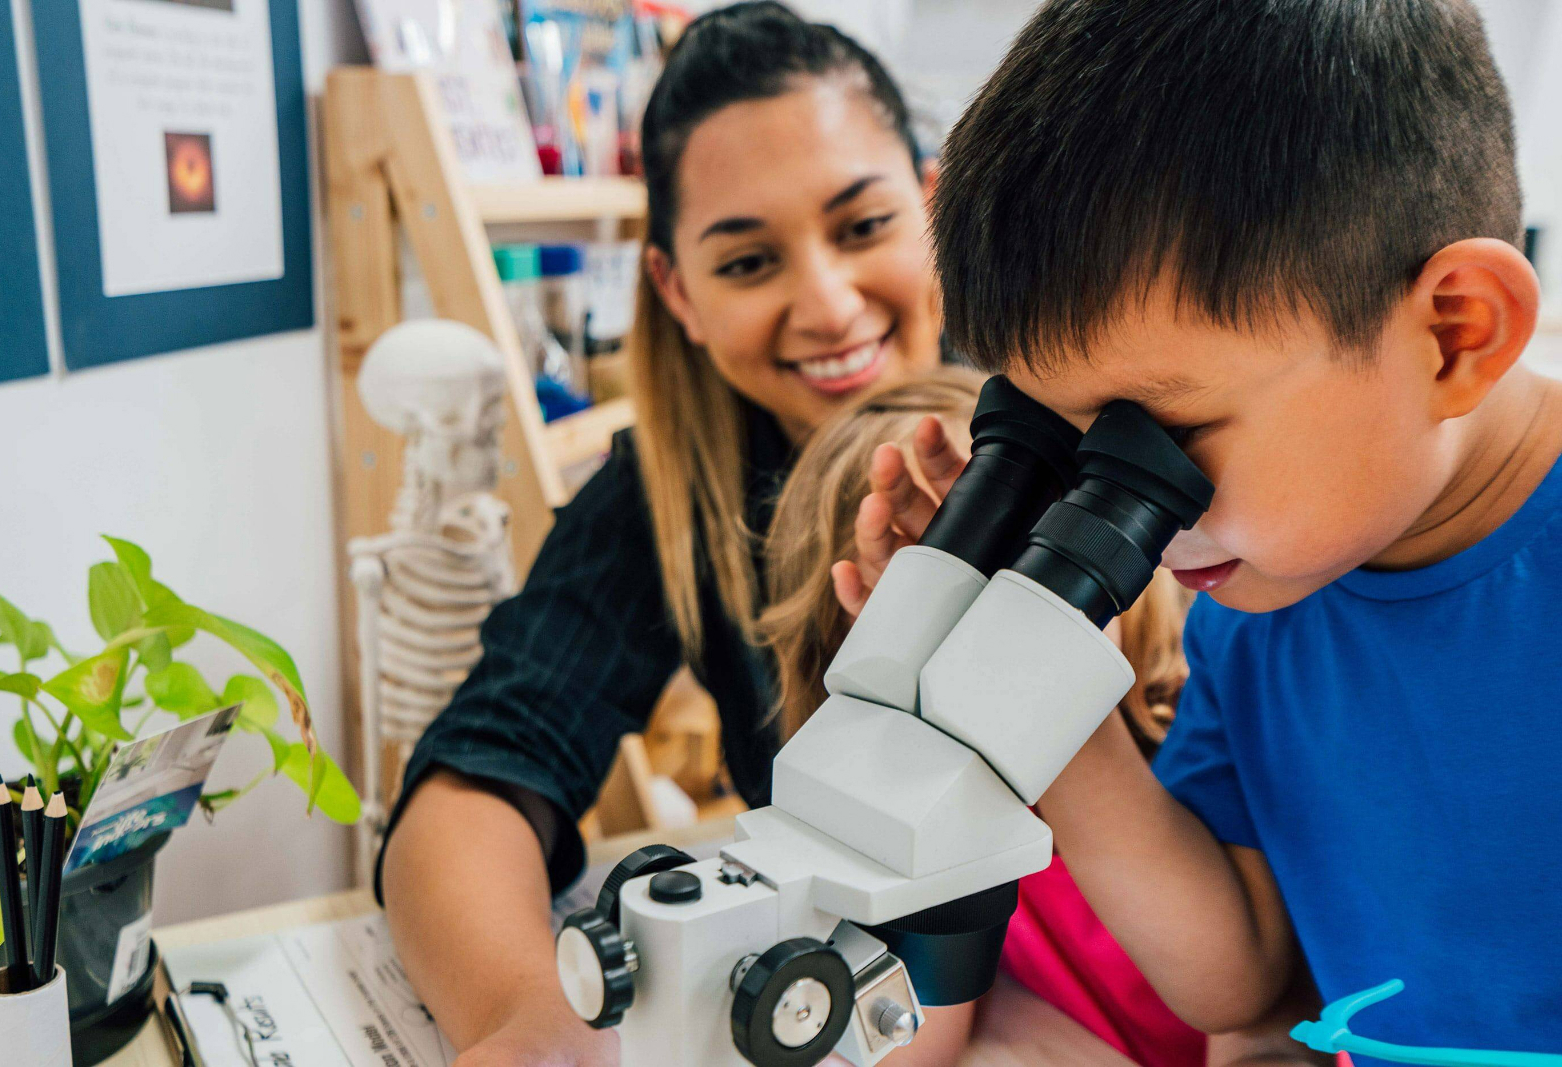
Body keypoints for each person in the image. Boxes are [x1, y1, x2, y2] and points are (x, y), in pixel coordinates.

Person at [847, 0, 1561, 1060]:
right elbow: (1236, 977)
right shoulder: (1256, 595)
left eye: (1163, 434)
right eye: (1070, 445)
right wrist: (1040, 692)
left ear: (1455, 332)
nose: (1133, 505)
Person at [378, 5, 943, 1063]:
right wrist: (533, 1021)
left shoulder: (1064, 410)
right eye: (746, 262)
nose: (826, 306)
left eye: (863, 226)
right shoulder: (674, 487)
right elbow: (481, 772)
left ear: (932, 202)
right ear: (676, 290)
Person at [762, 369, 1323, 1067]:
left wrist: (1050, 689)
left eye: (1045, 547)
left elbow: (1232, 988)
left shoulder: (1201, 744)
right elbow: (903, 1044)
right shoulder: (908, 830)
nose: (976, 627)